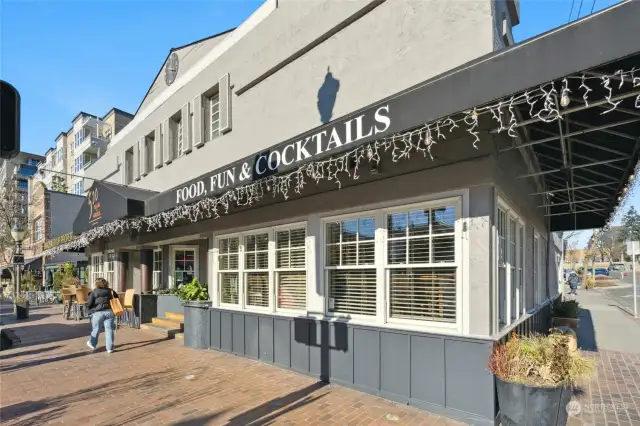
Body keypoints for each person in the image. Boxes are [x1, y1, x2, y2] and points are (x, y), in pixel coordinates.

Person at [86, 278, 118, 353]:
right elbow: (117, 298)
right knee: (109, 329)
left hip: (98, 313)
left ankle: (92, 343)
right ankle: (109, 348)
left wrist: (90, 310)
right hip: (109, 312)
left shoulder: (93, 292)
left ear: (96, 284)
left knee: (96, 329)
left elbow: (89, 304)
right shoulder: (110, 290)